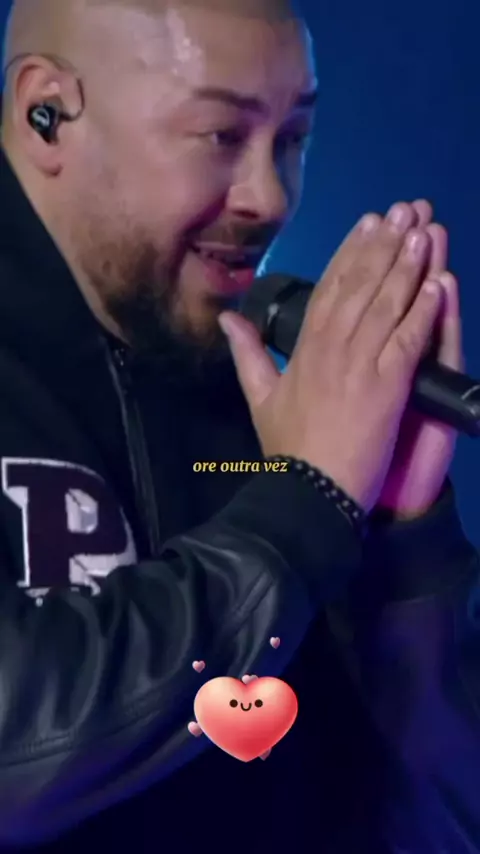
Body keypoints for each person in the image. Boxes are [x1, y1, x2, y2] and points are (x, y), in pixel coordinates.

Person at [0, 0, 479, 852]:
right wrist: (299, 510)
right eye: (221, 135)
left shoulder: (272, 407)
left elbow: (434, 826)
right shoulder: (301, 483)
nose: (270, 197)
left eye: (293, 139)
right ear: (48, 113)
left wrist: (404, 556)